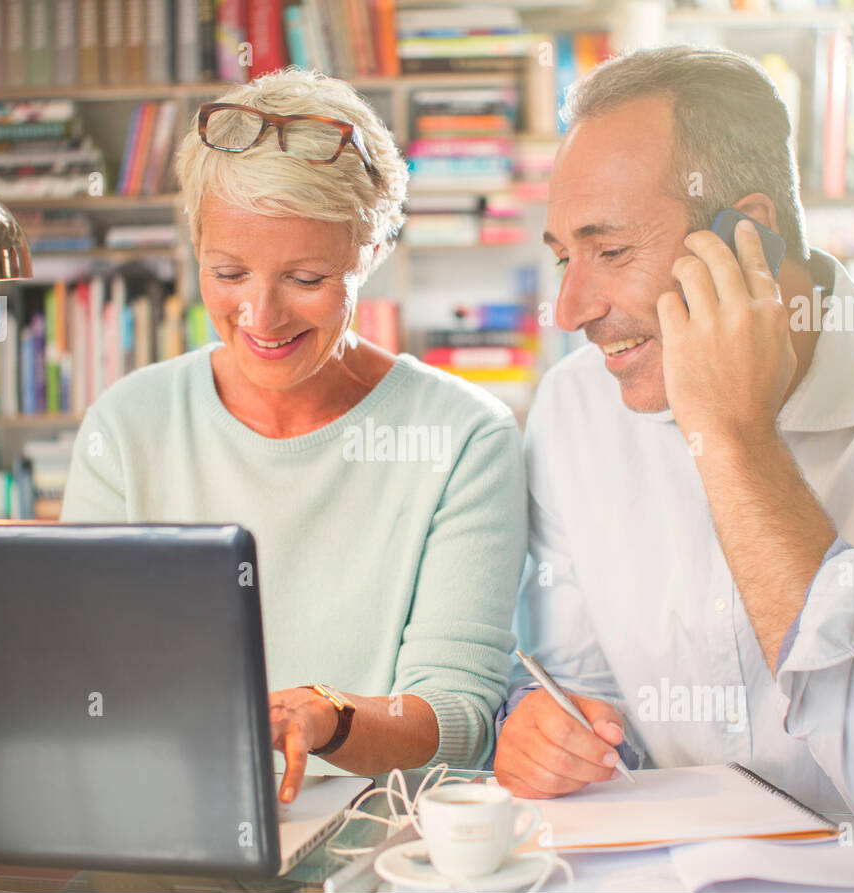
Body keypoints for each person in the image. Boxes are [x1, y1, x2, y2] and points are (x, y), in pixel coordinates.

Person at [493, 45, 854, 832]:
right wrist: (550, 733)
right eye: (562, 258)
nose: (570, 309)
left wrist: (736, 439)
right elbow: (587, 705)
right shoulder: (573, 406)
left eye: (611, 251)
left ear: (747, 234)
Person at [61, 68, 527, 802]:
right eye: (228, 273)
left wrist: (327, 718)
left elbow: (460, 718)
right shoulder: (127, 425)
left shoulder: (464, 438)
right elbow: (82, 671)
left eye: (306, 279)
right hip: (171, 816)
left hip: (382, 832)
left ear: (371, 252)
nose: (261, 315)